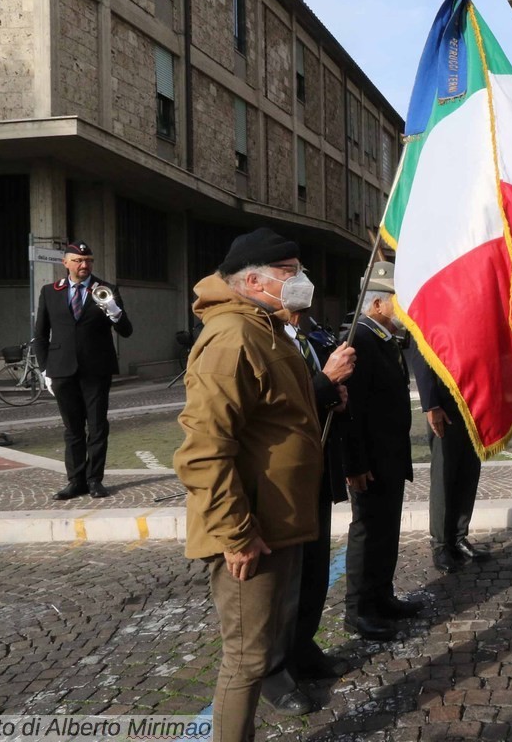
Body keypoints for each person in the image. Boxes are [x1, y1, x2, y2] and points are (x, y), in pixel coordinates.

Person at [173, 227, 324, 741]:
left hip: (276, 524)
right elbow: (204, 450)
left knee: (259, 653)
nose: (301, 280)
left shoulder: (263, 326)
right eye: (291, 272)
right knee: (246, 658)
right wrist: (237, 533)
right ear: (255, 281)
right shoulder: (233, 335)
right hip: (251, 531)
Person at [259, 308, 356, 709]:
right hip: (279, 476)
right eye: (287, 271)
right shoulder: (262, 338)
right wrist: (324, 383)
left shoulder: (306, 334)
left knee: (314, 570)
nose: (298, 281)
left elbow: (310, 398)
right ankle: (274, 671)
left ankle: (302, 646)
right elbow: (274, 409)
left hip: (314, 467)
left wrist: (332, 397)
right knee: (284, 579)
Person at [338, 262, 423, 640]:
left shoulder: (384, 338)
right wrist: (355, 463)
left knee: (386, 531)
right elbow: (350, 410)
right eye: (398, 301)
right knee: (368, 532)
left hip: (389, 455)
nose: (404, 309)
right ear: (376, 304)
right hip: (370, 461)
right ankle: (358, 610)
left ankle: (382, 596)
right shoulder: (360, 339)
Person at [34, 241, 133, 500]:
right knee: (73, 429)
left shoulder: (107, 290)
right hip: (62, 369)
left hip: (96, 369)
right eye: (78, 260)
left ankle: (94, 480)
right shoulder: (49, 291)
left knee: (98, 427)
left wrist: (113, 311)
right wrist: (45, 370)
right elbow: (41, 335)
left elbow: (126, 330)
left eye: (88, 260)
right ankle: (75, 481)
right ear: (65, 262)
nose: (84, 265)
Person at [412, 350, 490, 573]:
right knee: (444, 476)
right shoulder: (431, 314)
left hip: (474, 402)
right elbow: (421, 356)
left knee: (469, 472)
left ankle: (458, 537)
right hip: (445, 405)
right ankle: (440, 544)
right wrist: (431, 405)